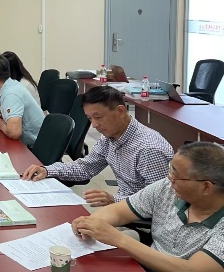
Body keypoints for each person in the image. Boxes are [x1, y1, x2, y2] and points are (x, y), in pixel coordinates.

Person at [72, 142, 224, 272]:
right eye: (171, 169)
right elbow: (119, 211)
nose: (170, 177)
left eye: (177, 175)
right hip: (147, 267)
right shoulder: (169, 187)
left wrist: (118, 238)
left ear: (206, 187)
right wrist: (91, 223)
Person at [22, 85, 172, 206]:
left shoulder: (149, 149)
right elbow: (85, 168)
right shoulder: (110, 137)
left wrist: (114, 200)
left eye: (98, 117)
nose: (94, 125)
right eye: (89, 118)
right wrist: (47, 170)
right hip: (124, 208)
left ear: (120, 111)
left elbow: (159, 202)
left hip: (147, 219)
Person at [0, 54, 44, 147]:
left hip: (34, 147)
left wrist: (1, 125)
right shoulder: (9, 85)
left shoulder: (11, 94)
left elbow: (14, 133)